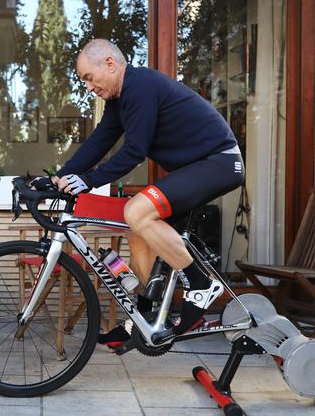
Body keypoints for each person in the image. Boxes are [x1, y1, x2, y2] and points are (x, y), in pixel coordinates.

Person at [48, 39, 244, 347]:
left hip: (219, 162)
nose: (87, 87)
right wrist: (59, 177)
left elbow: (134, 151)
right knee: (136, 228)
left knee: (136, 211)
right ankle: (147, 316)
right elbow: (99, 142)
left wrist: (87, 180)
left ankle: (200, 284)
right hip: (194, 168)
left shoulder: (139, 85)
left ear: (109, 64)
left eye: (88, 77)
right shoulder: (120, 99)